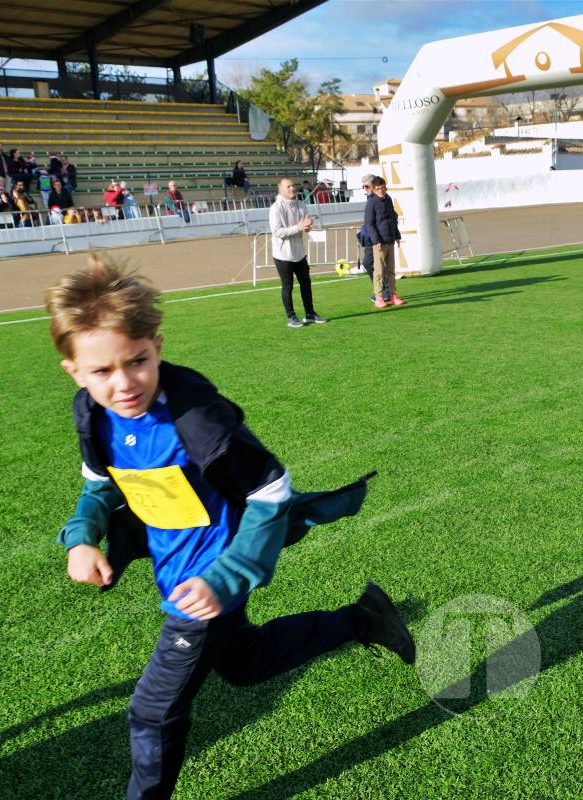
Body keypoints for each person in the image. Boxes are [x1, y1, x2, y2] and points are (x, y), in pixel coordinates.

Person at [44, 256, 414, 800]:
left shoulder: (197, 417)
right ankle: (363, 620)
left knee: (152, 713)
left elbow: (271, 491)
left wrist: (227, 577)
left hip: (207, 580)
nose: (123, 383)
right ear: (74, 371)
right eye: (101, 371)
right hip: (179, 573)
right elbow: (100, 484)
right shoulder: (93, 414)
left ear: (158, 347)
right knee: (246, 663)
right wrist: (82, 537)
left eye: (137, 361)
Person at [269, 177, 326, 328]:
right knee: (287, 286)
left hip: (299, 253)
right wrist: (299, 227)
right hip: (282, 255)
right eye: (288, 187)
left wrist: (308, 227)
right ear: (280, 189)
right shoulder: (276, 208)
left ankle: (310, 314)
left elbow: (304, 227)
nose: (292, 189)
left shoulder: (301, 205)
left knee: (306, 283)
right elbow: (277, 232)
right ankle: (291, 317)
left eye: (293, 186)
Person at [362, 175, 404, 309]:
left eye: (383, 188)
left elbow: (393, 218)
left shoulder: (388, 199)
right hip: (379, 243)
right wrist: (376, 240)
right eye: (378, 188)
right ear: (374, 189)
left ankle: (393, 295)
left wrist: (397, 235)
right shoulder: (371, 202)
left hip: (390, 240)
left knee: (391, 271)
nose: (381, 190)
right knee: (379, 272)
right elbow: (369, 224)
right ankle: (379, 297)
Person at [356, 174, 377, 298]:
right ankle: (383, 291)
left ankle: (382, 291)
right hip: (371, 236)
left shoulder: (377, 198)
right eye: (363, 186)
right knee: (371, 264)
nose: (365, 188)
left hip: (375, 238)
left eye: (366, 186)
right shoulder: (371, 198)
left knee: (368, 263)